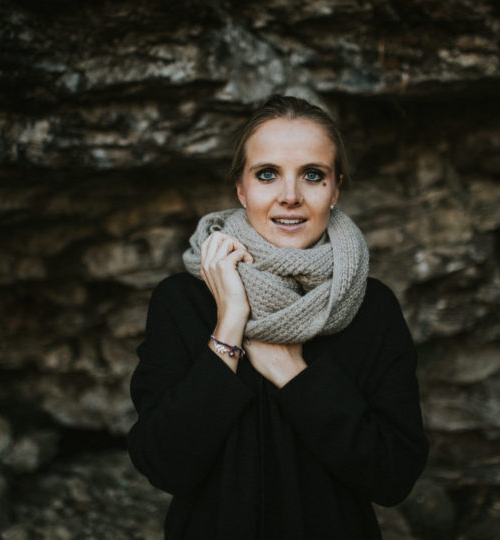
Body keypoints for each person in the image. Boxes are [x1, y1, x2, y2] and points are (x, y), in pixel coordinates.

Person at [127, 95, 429, 540]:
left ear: (336, 188)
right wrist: (229, 324)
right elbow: (164, 464)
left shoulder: (371, 307)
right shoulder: (183, 301)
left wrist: (294, 374)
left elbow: (392, 476)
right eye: (267, 174)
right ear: (241, 188)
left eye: (313, 175)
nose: (290, 196)